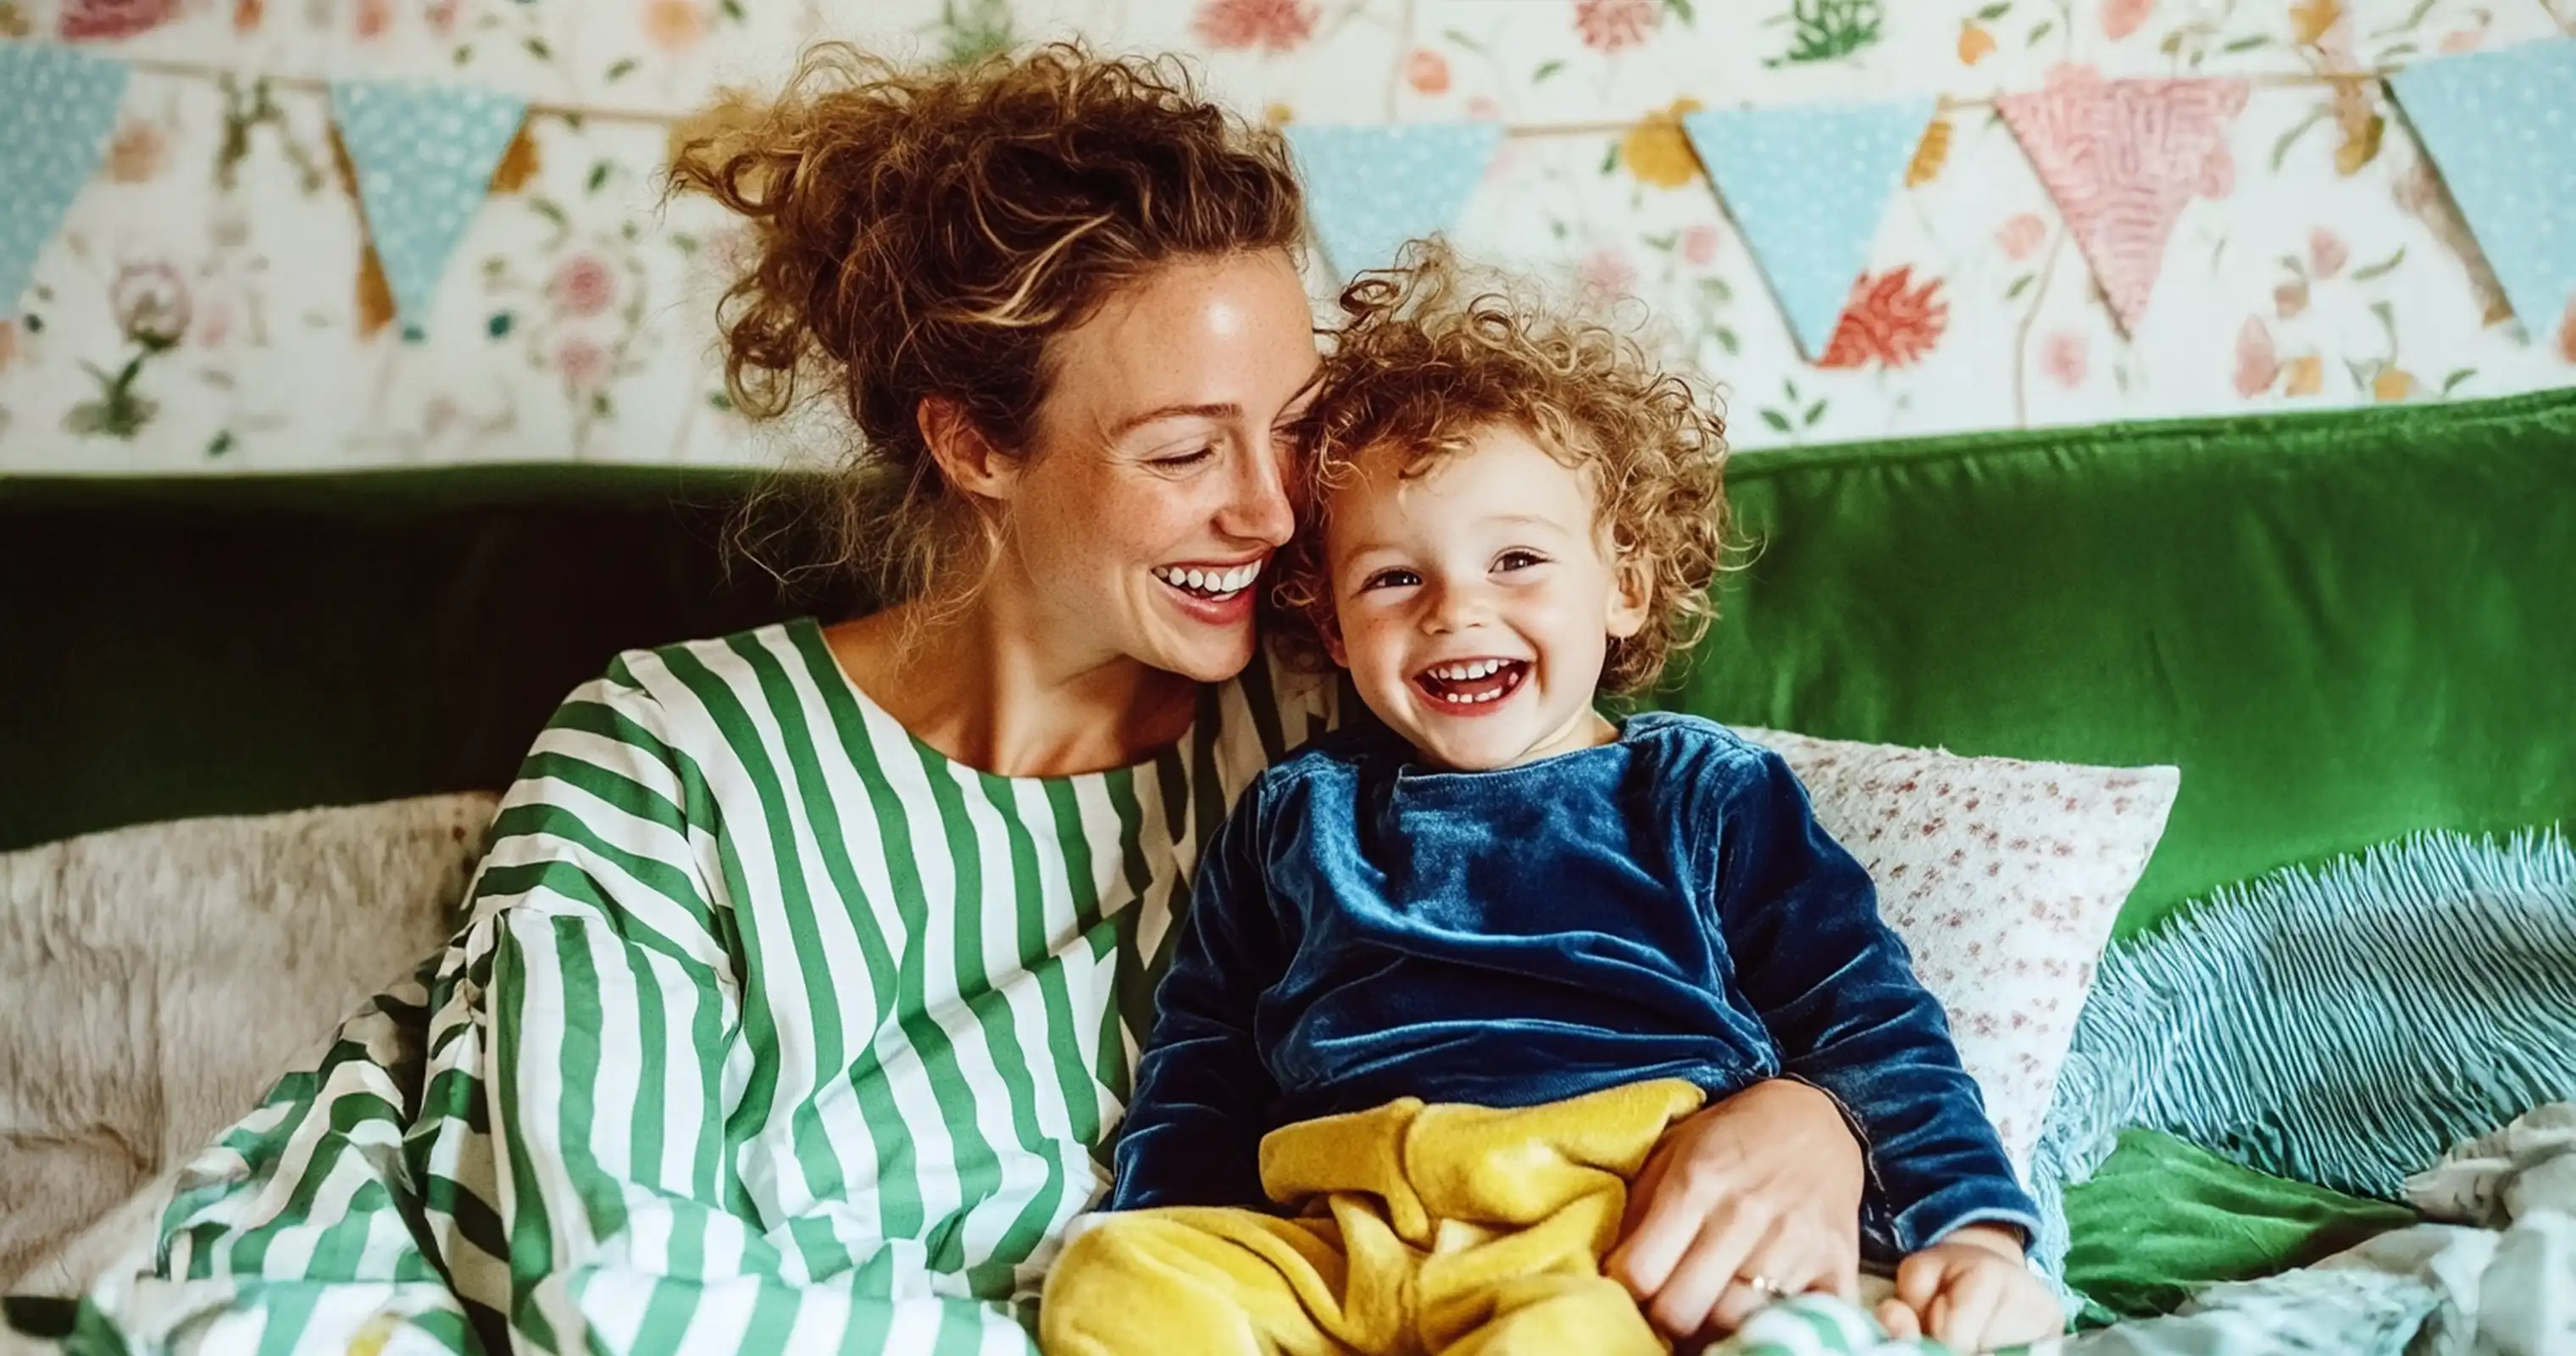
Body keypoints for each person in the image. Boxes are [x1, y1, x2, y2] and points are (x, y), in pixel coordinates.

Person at [65, 45, 1869, 1356]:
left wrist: (1820, 1111)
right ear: (973, 443)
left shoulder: (1345, 723)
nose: (1273, 511)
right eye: (1182, 452)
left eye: (1294, 435)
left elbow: (1680, 888)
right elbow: (607, 1269)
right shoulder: (666, 755)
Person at [1041, 250, 2061, 1356]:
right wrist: (1173, 1218)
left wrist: (1972, 1232)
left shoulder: (1702, 794)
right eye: (1394, 578)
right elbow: (1204, 1060)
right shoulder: (1297, 814)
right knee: (1113, 1280)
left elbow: (1868, 1020)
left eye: (1516, 559)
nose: (1455, 611)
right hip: (1341, 1237)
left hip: (1596, 1235)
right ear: (1332, 628)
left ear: (1622, 584)